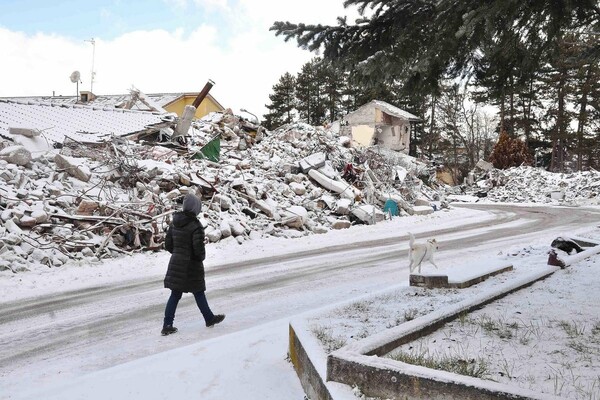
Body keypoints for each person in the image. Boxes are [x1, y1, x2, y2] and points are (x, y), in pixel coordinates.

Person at [161, 193, 225, 336]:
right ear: (195, 208)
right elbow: (198, 250)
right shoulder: (195, 226)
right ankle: (209, 318)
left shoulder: (174, 222)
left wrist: (178, 253)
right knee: (198, 291)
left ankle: (167, 324)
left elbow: (168, 245)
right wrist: (200, 257)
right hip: (191, 265)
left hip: (177, 263)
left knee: (175, 294)